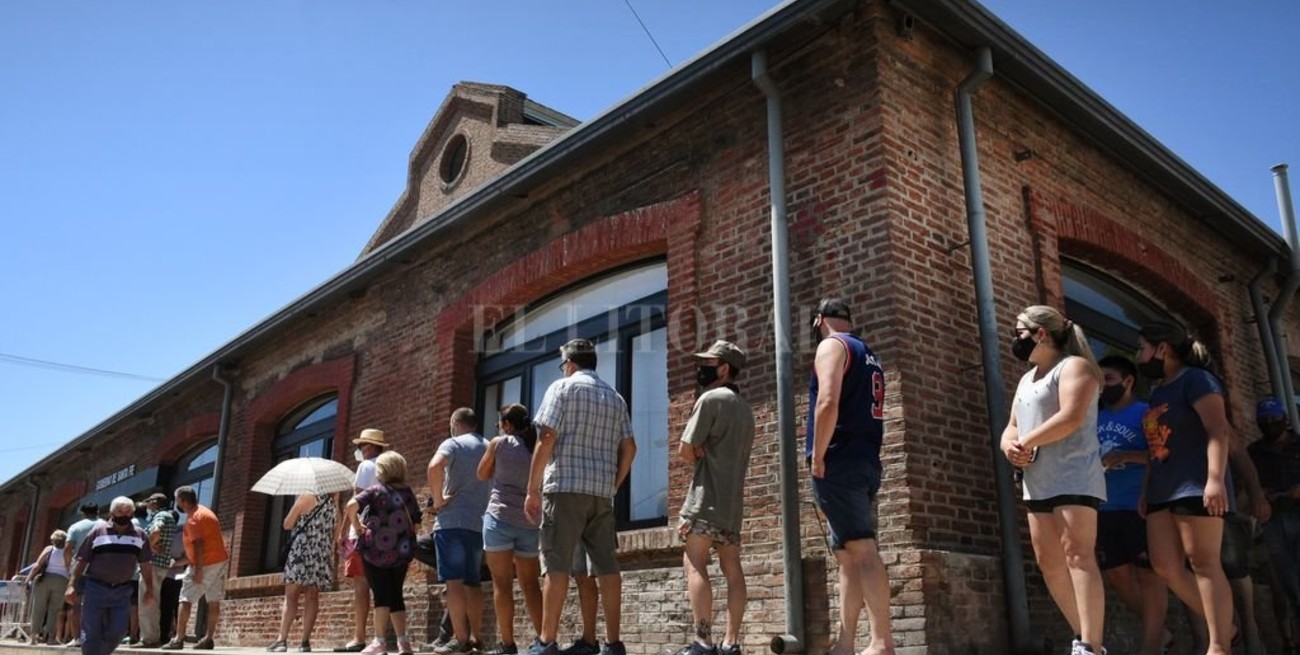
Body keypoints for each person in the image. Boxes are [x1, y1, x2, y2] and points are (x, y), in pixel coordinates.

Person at [525, 338, 637, 655]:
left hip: (564, 487)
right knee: (607, 567)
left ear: (570, 363)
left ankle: (546, 642)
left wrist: (532, 489)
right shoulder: (615, 398)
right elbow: (630, 448)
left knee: (556, 564)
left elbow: (547, 436)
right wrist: (613, 484)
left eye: (563, 365)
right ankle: (613, 643)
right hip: (601, 494)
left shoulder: (561, 388)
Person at [1136, 321, 1235, 655]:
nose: (1138, 355)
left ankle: (1219, 646)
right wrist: (1146, 489)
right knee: (1164, 565)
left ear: (1162, 349)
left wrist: (1215, 479)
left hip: (1196, 483)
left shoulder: (1197, 380)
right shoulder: (1157, 391)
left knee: (1204, 562)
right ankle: (1226, 627)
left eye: (1141, 348)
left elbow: (1218, 430)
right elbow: (1155, 446)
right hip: (1162, 487)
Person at [808, 299, 895, 655]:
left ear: (819, 320)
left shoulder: (831, 345)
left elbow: (827, 402)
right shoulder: (868, 353)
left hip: (839, 460)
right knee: (847, 554)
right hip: (865, 460)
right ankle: (845, 644)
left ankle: (881, 643)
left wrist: (818, 455)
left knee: (862, 550)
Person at [675, 340, 755, 655]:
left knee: (694, 563)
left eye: (707, 364)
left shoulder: (710, 399)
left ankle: (703, 642)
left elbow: (684, 451)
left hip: (704, 499)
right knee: (732, 568)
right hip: (732, 505)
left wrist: (698, 451)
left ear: (723, 369)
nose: (701, 369)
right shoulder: (746, 409)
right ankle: (731, 643)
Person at [1094, 356, 1169, 655]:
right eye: (1099, 381)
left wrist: (1126, 456)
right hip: (1103, 506)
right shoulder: (1094, 417)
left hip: (1138, 504)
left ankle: (1150, 646)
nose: (1102, 386)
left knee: (1149, 574)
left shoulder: (1146, 413)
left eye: (1108, 379)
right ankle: (1161, 634)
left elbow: (1162, 453)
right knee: (1116, 574)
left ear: (1128, 381)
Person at [476, 404, 544, 655]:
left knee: (502, 585)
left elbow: (482, 473)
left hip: (499, 519)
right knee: (531, 585)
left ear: (507, 424)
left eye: (500, 424)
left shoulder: (499, 443)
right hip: (528, 522)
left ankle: (507, 645)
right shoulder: (536, 447)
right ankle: (544, 640)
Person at [428, 408, 492, 654]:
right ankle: (476, 638)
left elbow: (434, 466)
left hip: (452, 522)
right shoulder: (488, 446)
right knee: (473, 582)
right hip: (478, 523)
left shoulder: (453, 443)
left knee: (454, 582)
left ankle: (460, 638)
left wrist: (438, 500)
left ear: (455, 422)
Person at [345, 450, 421, 655]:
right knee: (396, 593)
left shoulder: (375, 491)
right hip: (402, 550)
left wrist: (357, 525)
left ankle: (379, 642)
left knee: (381, 594)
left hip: (375, 551)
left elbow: (351, 505)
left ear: (383, 470)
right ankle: (403, 643)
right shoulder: (407, 492)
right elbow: (416, 521)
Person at [65, 496, 156, 655]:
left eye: (128, 512)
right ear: (112, 513)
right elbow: (82, 560)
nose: (124, 515)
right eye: (120, 511)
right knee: (91, 633)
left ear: (132, 513)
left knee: (118, 631)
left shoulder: (140, 535)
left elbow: (146, 564)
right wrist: (71, 585)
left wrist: (149, 589)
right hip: (96, 588)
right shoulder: (97, 532)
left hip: (122, 591)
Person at [1251, 398, 1300, 654]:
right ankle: (1289, 641)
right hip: (1273, 523)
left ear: (1285, 419)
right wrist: (1259, 494)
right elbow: (1247, 485)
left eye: (1274, 418)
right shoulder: (1254, 452)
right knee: (1285, 583)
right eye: (1265, 420)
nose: (1270, 424)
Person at [335, 428, 391, 653]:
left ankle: (359, 637)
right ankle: (380, 638)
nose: (360, 450)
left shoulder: (365, 466)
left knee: (361, 585)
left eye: (362, 446)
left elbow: (355, 502)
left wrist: (343, 531)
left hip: (362, 532)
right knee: (382, 585)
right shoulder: (389, 468)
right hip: (384, 534)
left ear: (370, 447)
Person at [269, 491, 338, 652]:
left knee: (291, 596)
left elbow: (287, 524)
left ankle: (282, 640)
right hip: (321, 554)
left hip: (302, 551)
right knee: (312, 597)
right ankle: (305, 642)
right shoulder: (333, 504)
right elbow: (335, 534)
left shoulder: (306, 496)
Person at [163, 485, 230, 651]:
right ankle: (209, 638)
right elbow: (205, 544)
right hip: (219, 561)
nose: (176, 503)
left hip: (204, 563)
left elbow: (199, 545)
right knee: (213, 600)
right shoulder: (206, 512)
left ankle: (178, 638)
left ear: (183, 501)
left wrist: (198, 571)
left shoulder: (194, 518)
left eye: (177, 500)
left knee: (185, 598)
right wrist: (178, 562)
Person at [139, 493, 177, 648]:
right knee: (154, 601)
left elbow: (156, 531)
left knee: (147, 600)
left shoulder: (160, 515)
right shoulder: (169, 516)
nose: (147, 505)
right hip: (162, 564)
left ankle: (149, 638)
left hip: (152, 564)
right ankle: (153, 636)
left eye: (148, 501)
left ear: (155, 502)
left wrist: (150, 548)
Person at [64, 502, 102, 648]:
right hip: (101, 570)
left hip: (80, 570)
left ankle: (77, 638)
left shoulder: (76, 527)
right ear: (97, 512)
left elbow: (68, 548)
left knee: (76, 605)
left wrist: (69, 566)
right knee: (99, 604)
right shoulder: (105, 525)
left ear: (82, 513)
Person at [26, 530, 71, 644]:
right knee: (54, 609)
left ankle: (33, 637)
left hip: (44, 579)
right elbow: (69, 567)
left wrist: (28, 579)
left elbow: (37, 566)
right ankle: (50, 638)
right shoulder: (68, 551)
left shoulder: (49, 549)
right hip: (61, 580)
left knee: (38, 608)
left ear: (53, 540)